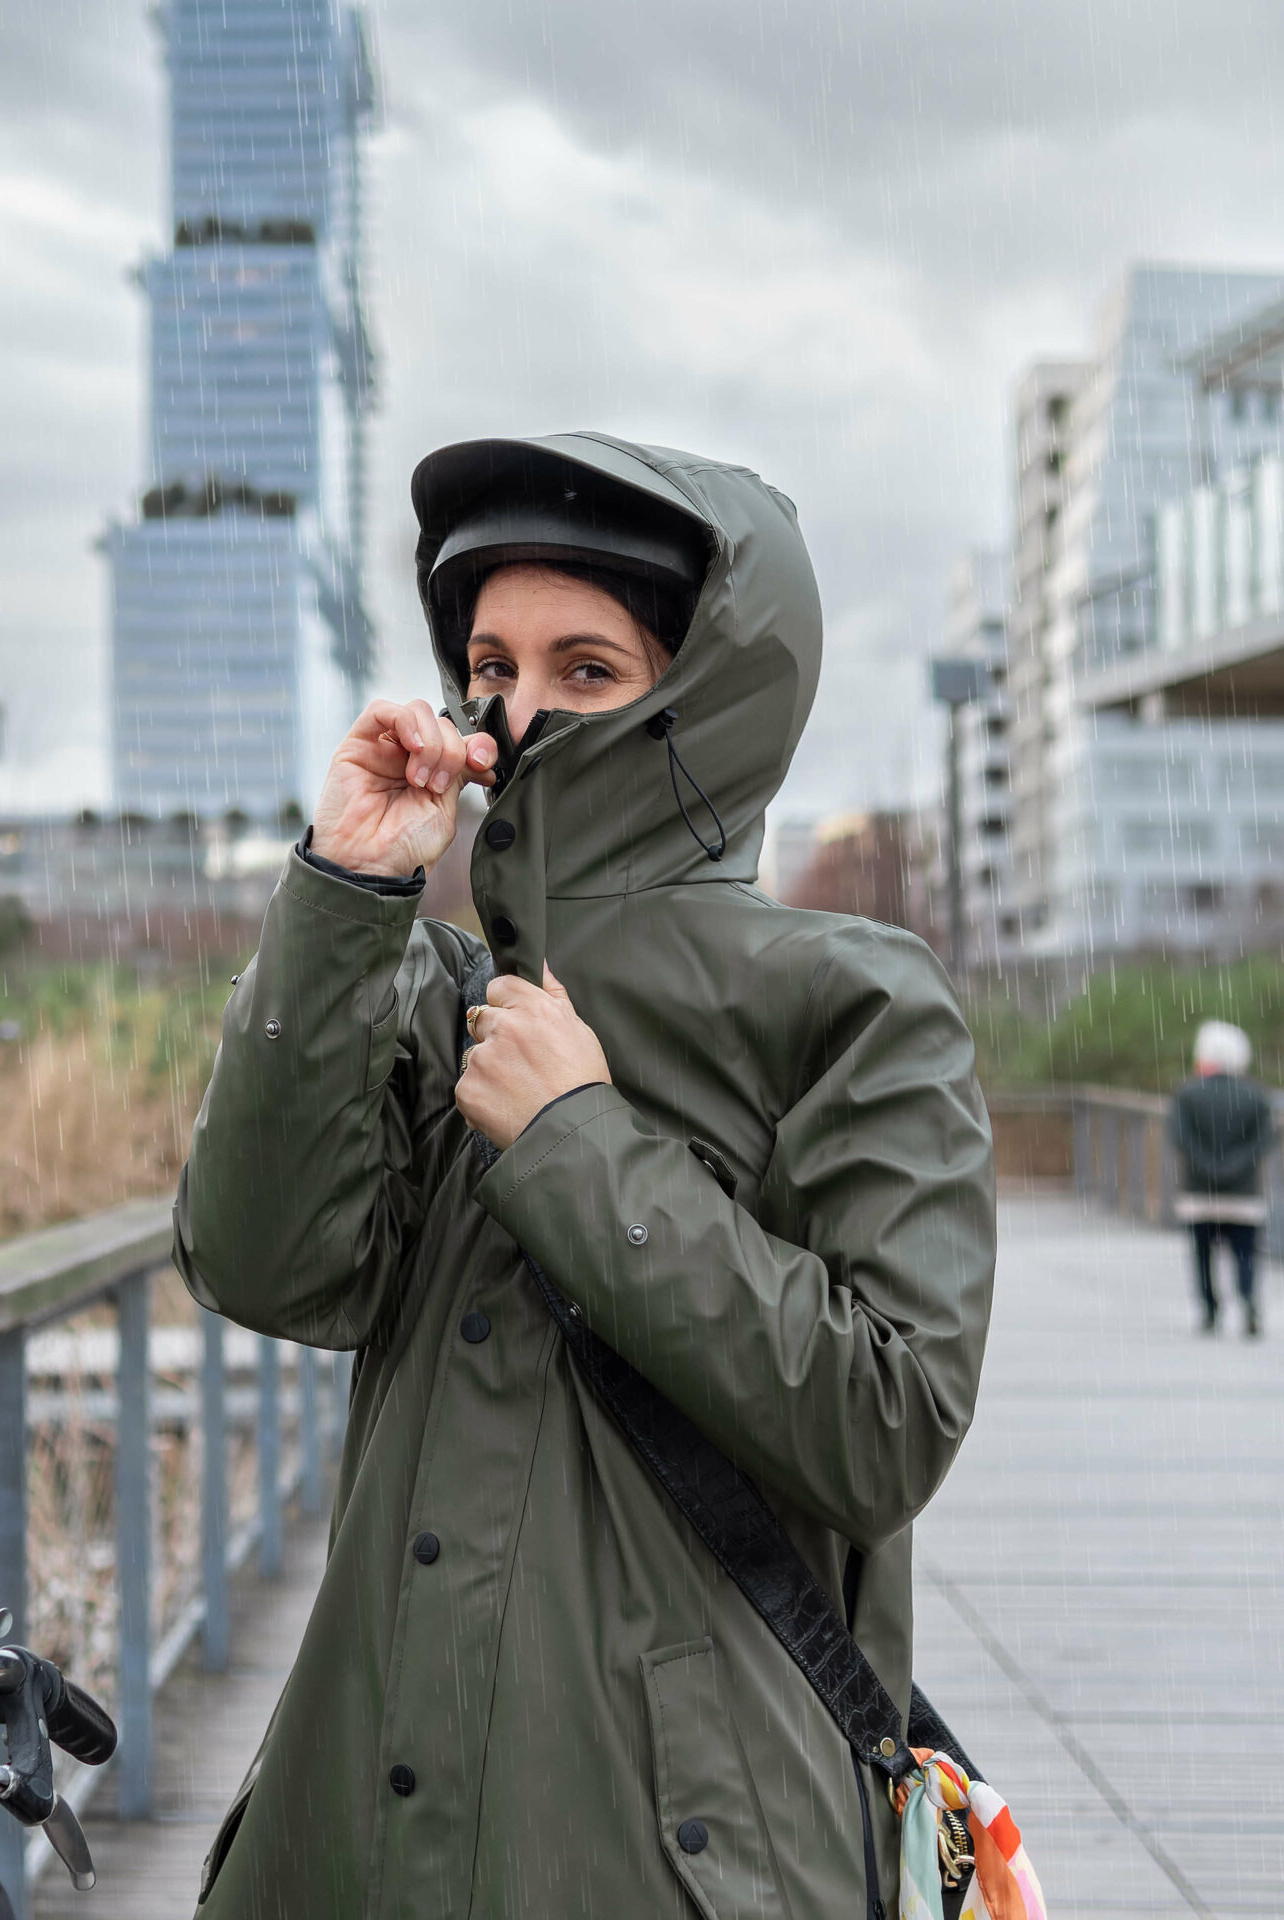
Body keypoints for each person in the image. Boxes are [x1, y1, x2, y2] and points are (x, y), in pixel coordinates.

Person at [173, 433, 995, 1918]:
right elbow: (260, 1263)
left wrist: (581, 1150)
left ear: (705, 700)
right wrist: (346, 892)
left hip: (686, 1866)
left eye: (588, 669)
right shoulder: (421, 986)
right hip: (350, 1837)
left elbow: (890, 1421)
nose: (521, 713)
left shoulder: (852, 1002)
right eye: (490, 666)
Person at [1168, 1020, 1276, 1338]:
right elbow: (1265, 1140)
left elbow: (1180, 1138)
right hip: (1243, 1193)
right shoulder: (1256, 1095)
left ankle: (1210, 1308)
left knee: (1203, 1254)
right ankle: (1248, 1299)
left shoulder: (1187, 1094)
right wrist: (1235, 1166)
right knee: (1244, 1252)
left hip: (1199, 1192)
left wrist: (1209, 1167)